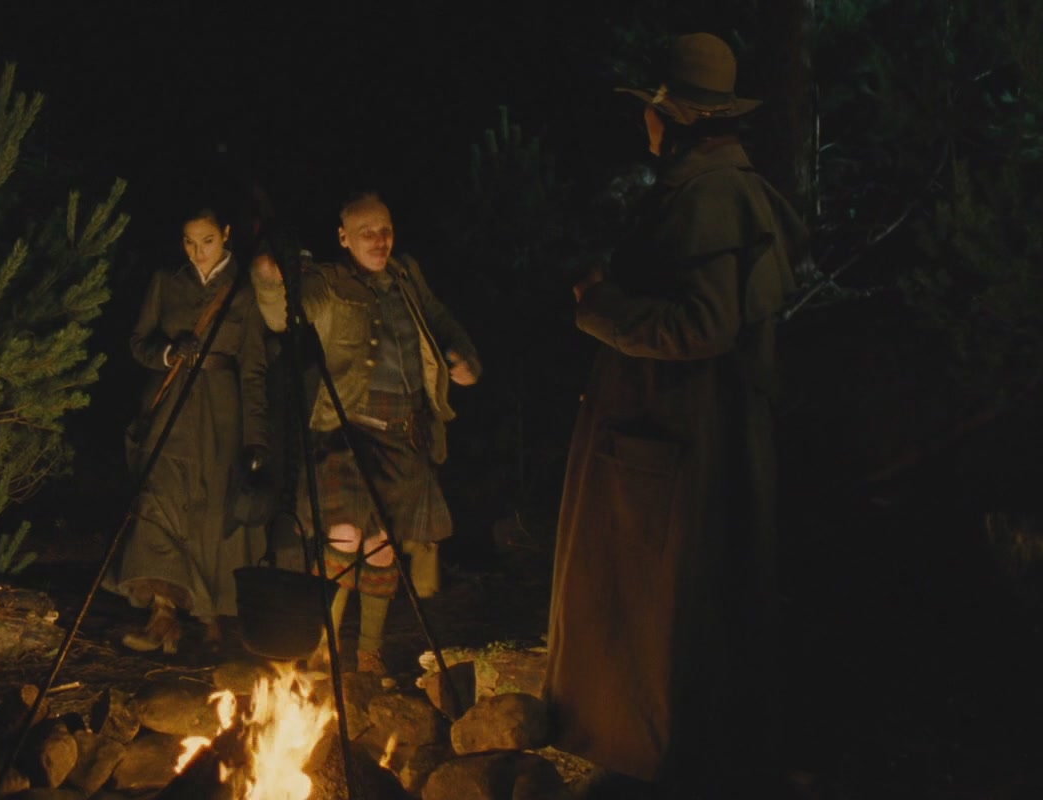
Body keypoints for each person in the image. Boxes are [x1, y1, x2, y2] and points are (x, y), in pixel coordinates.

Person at [543, 32, 806, 799]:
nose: (646, 121)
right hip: (676, 433)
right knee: (682, 604)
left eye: (653, 108)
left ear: (681, 115)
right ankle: (675, 751)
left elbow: (704, 326)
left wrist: (599, 305)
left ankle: (664, 756)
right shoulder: (705, 186)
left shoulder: (714, 196)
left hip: (681, 438)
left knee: (668, 609)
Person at [250, 191, 481, 675]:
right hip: (348, 431)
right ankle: (323, 646)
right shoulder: (329, 281)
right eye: (367, 233)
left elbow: (438, 317)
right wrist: (270, 281)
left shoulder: (406, 274)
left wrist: (462, 357)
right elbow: (286, 314)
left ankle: (369, 652)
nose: (379, 241)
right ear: (344, 238)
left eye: (385, 231)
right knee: (345, 534)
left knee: (382, 546)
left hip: (405, 433)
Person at [111, 207, 272, 655]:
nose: (197, 252)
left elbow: (254, 369)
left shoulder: (244, 289)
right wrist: (168, 353)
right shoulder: (167, 281)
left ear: (226, 235)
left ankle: (209, 616)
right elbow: (138, 342)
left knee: (210, 513)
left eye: (207, 241)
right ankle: (162, 613)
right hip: (170, 408)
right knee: (157, 502)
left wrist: (256, 438)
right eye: (189, 242)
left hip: (221, 413)